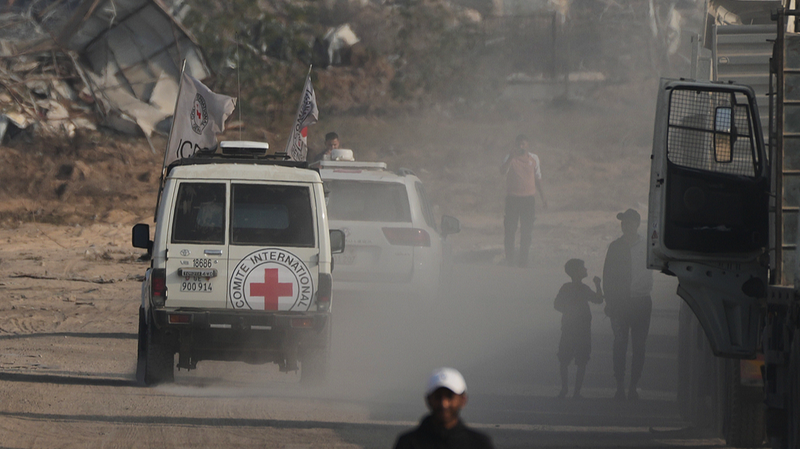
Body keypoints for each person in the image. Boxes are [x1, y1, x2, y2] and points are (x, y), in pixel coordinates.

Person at [602, 208, 654, 400]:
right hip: (620, 302)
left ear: (637, 224)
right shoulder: (615, 246)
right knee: (620, 343)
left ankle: (633, 386)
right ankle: (620, 385)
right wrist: (609, 301)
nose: (625, 226)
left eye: (629, 222)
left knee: (639, 346)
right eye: (623, 223)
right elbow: (607, 276)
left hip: (641, 301)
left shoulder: (648, 246)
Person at [393, 367, 495, 449]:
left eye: (450, 396)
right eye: (438, 397)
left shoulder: (479, 444)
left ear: (463, 400)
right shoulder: (408, 444)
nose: (444, 404)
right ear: (428, 400)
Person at [554, 258, 603, 399]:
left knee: (564, 360)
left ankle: (565, 388)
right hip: (582, 330)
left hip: (569, 328)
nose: (586, 269)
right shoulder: (583, 289)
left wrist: (567, 311)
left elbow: (557, 304)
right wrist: (598, 285)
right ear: (576, 272)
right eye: (583, 268)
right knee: (581, 360)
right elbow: (599, 299)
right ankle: (576, 392)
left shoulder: (566, 287)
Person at [500, 134, 547, 267]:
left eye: (523, 144)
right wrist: (510, 158)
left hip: (528, 200)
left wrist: (543, 197)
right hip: (512, 199)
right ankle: (510, 259)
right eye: (518, 144)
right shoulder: (510, 157)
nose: (521, 147)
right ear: (515, 145)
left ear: (527, 145)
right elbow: (502, 172)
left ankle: (523, 260)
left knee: (526, 231)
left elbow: (538, 178)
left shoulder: (534, 159)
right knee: (510, 230)